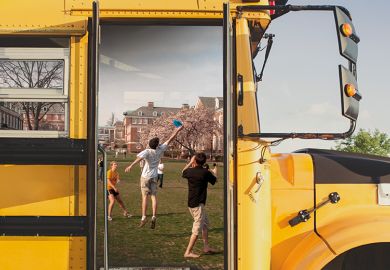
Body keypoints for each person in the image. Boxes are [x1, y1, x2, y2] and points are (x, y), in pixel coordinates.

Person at [125, 125, 183, 229]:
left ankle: (143, 217)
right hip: (154, 176)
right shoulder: (160, 149)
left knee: (144, 197)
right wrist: (178, 129)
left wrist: (131, 166)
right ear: (157, 145)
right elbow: (170, 138)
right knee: (153, 197)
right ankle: (154, 216)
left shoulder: (147, 151)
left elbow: (138, 158)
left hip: (145, 177)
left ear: (149, 144)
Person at [182, 153, 217, 258]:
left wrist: (190, 162)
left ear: (195, 161)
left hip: (192, 203)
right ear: (204, 162)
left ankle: (206, 247)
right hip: (198, 205)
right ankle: (188, 252)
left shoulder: (189, 171)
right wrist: (214, 170)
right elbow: (215, 180)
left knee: (205, 224)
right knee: (197, 229)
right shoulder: (205, 173)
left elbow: (183, 172)